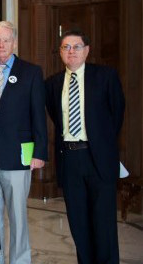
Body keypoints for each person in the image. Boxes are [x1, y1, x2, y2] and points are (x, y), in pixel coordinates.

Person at [45, 30, 124, 264]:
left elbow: (116, 114)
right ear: (60, 52)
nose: (71, 51)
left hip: (98, 158)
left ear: (86, 50)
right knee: (79, 224)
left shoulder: (106, 76)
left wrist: (102, 144)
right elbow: (54, 115)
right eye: (65, 47)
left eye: (76, 47)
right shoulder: (52, 83)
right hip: (70, 159)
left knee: (104, 224)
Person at [0, 21, 48, 264]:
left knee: (18, 218)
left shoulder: (31, 72)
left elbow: (38, 115)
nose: (1, 44)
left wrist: (39, 152)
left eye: (6, 40)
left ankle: (20, 260)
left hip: (19, 157)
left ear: (15, 43)